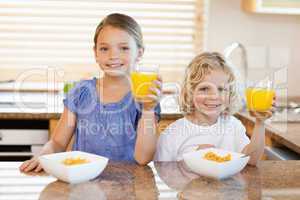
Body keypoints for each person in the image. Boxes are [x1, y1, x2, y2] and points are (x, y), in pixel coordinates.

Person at [20, 13, 162, 172]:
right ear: (95, 53)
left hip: (128, 188)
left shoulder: (146, 98)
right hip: (82, 185)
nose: (113, 55)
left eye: (124, 48)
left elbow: (143, 158)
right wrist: (44, 155)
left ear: (140, 53)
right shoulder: (80, 92)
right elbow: (58, 143)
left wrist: (148, 110)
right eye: (104, 48)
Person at [154, 52, 274, 166]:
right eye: (204, 89)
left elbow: (251, 160)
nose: (214, 96)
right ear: (190, 93)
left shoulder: (233, 125)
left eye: (221, 89)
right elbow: (163, 173)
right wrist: (191, 162)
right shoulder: (172, 134)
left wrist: (260, 122)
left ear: (230, 94)